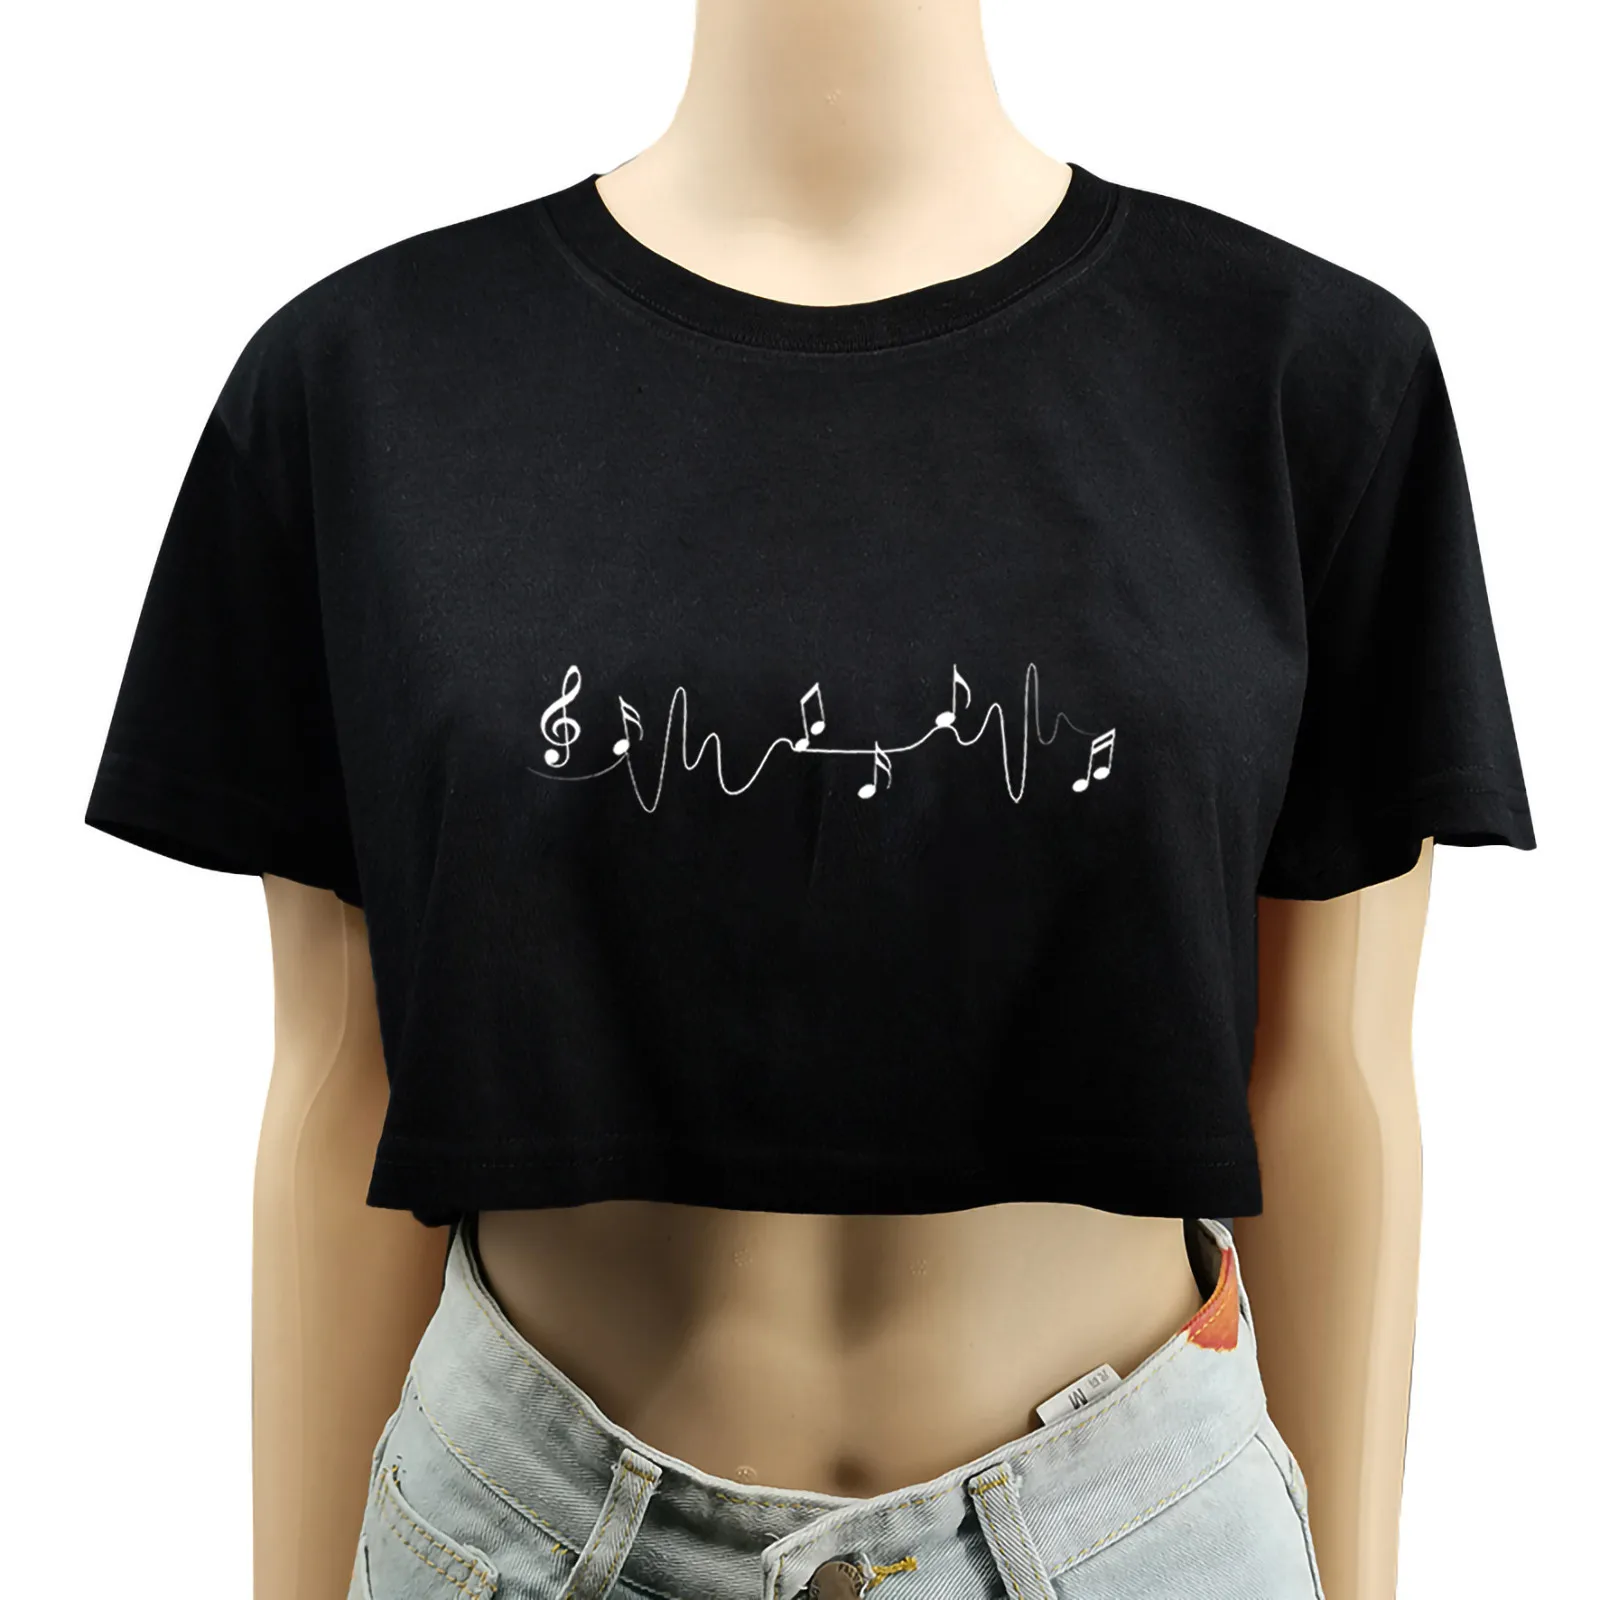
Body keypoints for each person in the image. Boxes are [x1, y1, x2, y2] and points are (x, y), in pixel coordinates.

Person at [83, 3, 1535, 1598]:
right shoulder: (363, 387)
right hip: (523, 1534)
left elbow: (1333, 1083)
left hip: (1147, 1537)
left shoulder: (1308, 383)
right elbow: (340, 1084)